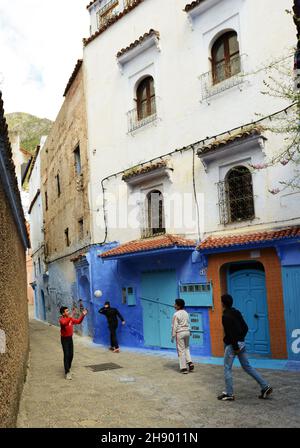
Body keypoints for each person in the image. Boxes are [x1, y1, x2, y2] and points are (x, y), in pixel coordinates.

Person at [218, 294, 273, 401]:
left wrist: (235, 346)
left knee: (227, 368)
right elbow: (246, 327)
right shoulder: (236, 312)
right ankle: (265, 386)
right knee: (247, 366)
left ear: (223, 303)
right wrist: (241, 339)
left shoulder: (225, 316)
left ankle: (229, 394)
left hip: (233, 345)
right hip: (241, 343)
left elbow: (230, 334)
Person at [59, 306, 87, 380]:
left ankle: (68, 368)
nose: (68, 312)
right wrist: (71, 315)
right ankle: (67, 372)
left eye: (68, 311)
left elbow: (78, 321)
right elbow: (65, 323)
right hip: (64, 339)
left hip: (70, 339)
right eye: (66, 311)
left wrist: (83, 315)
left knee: (71, 355)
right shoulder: (61, 320)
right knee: (66, 354)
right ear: (63, 313)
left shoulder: (70, 319)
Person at [171, 298, 194, 374]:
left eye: (175, 304)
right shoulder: (186, 313)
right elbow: (188, 323)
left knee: (181, 350)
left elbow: (174, 326)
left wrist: (173, 336)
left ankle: (183, 368)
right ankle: (190, 362)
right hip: (187, 332)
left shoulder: (176, 314)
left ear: (178, 306)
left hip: (180, 333)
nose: (174, 305)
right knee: (186, 348)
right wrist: (189, 331)